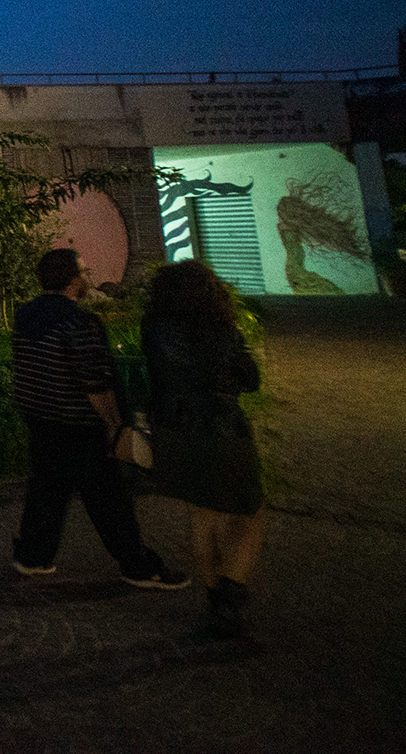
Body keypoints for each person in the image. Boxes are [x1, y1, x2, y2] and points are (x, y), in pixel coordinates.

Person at [10, 248, 188, 590]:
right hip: (79, 425)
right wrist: (113, 424)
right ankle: (138, 565)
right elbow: (94, 381)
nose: (87, 276)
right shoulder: (80, 322)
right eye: (84, 270)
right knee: (109, 500)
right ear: (73, 278)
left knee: (47, 491)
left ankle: (33, 556)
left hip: (40, 419)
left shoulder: (26, 316)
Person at [142, 260, 266, 639]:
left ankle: (215, 600)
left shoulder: (153, 327)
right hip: (223, 430)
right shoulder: (222, 329)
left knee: (202, 519)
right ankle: (229, 602)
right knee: (250, 515)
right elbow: (250, 379)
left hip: (176, 431)